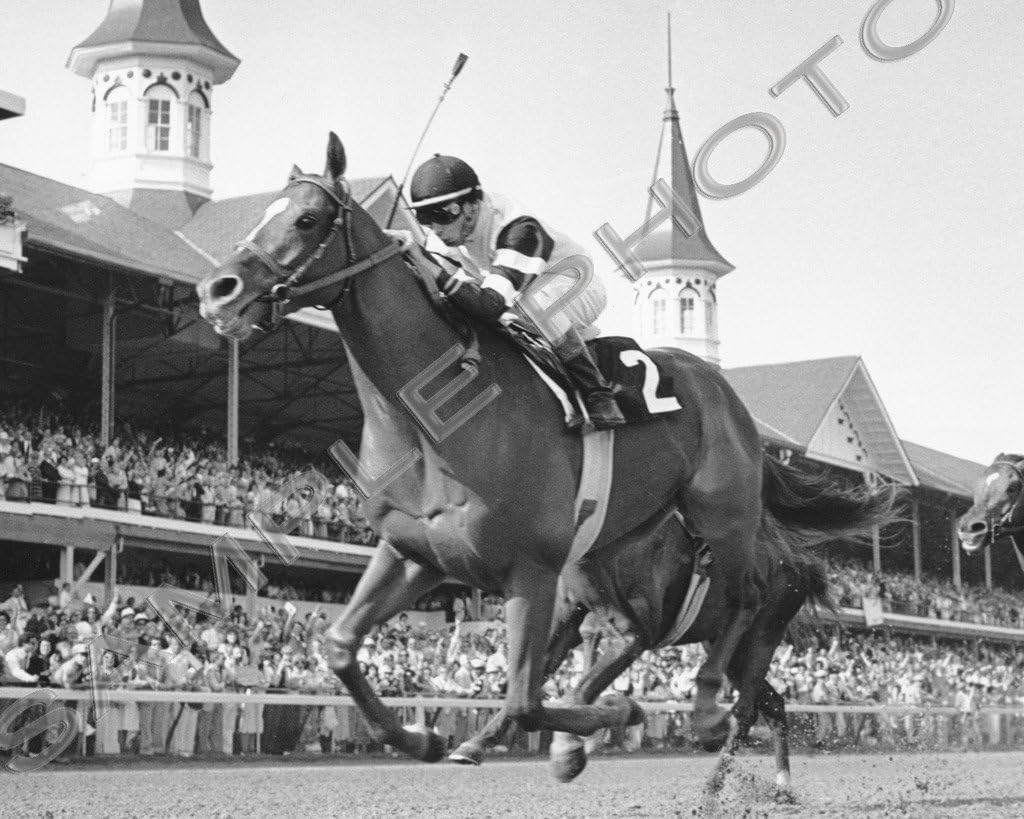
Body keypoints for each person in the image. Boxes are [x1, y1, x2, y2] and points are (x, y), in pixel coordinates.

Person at [408, 154, 625, 430]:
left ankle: (597, 394)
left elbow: (490, 305)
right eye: (425, 218)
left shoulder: (519, 228)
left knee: (532, 307)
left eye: (443, 214)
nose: (436, 228)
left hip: (575, 284)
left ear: (472, 206)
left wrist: (426, 262)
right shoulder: (441, 241)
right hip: (517, 294)